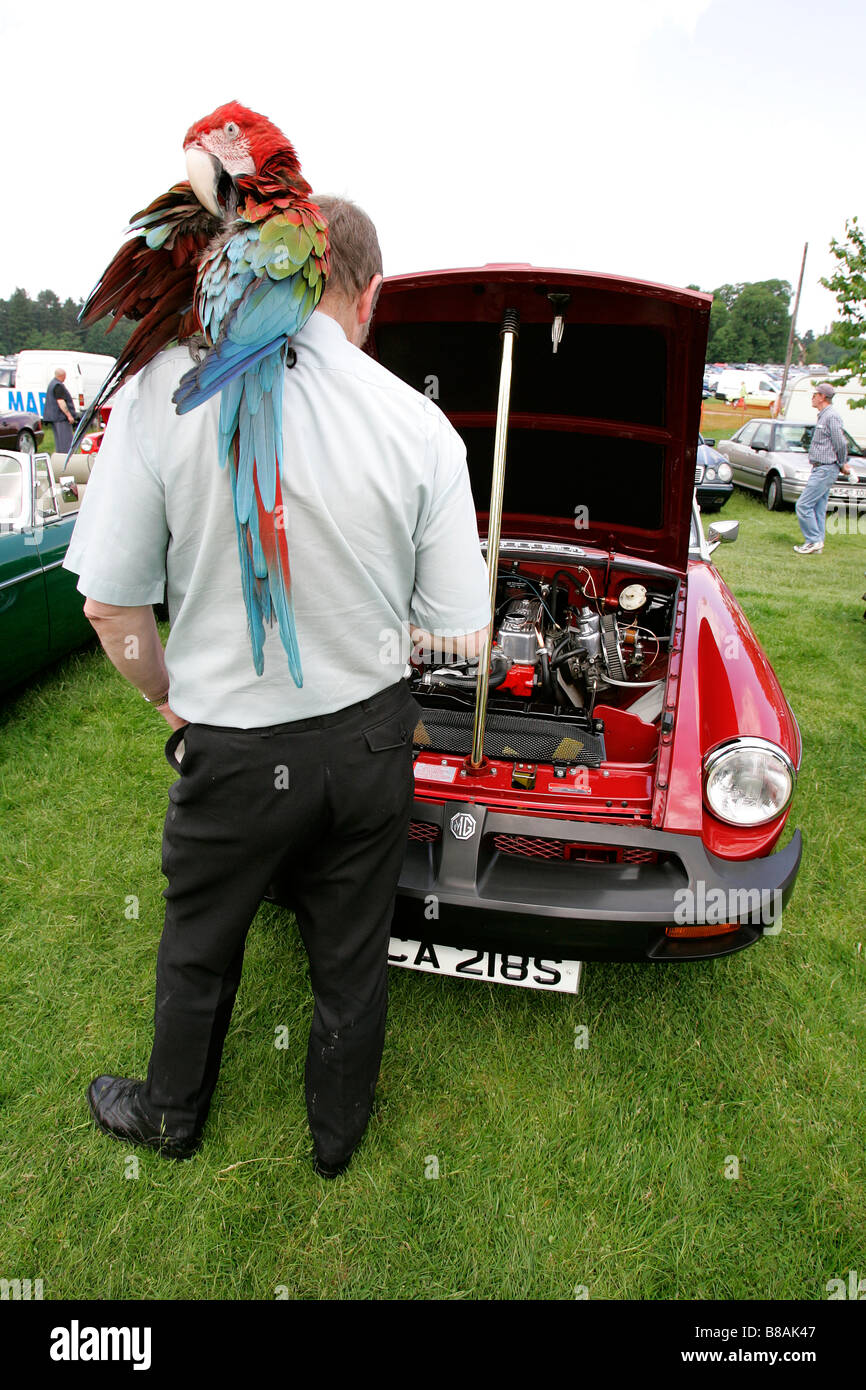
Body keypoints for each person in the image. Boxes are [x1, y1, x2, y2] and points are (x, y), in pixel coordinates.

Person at [63, 196, 490, 1176]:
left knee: (200, 941)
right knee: (350, 951)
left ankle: (172, 1117)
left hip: (236, 747)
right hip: (372, 739)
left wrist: (168, 697)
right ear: (368, 294)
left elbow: (110, 610)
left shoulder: (173, 384)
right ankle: (335, 1140)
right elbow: (460, 636)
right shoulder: (419, 423)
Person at [794, 382, 858, 554]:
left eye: (815, 394)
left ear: (822, 397)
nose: (812, 397)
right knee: (817, 508)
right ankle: (817, 544)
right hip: (821, 468)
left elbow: (841, 442)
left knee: (803, 505)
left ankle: (813, 540)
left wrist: (843, 463)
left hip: (826, 468)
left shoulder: (831, 416)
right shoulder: (823, 415)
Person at [44, 368, 77, 454]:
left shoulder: (52, 384)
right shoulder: (58, 386)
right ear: (62, 376)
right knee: (65, 441)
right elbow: (61, 402)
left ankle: (59, 458)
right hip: (61, 418)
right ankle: (66, 458)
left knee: (59, 441)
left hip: (54, 417)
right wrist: (69, 415)